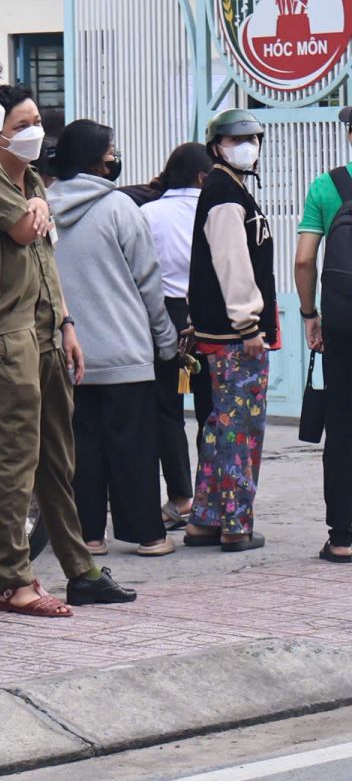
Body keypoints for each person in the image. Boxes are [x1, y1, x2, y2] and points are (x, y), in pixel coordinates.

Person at [0, 43, 130, 616]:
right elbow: (20, 229)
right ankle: (15, 579)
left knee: (10, 457)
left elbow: (38, 249)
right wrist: (30, 215)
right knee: (14, 458)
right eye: (22, 121)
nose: (34, 132)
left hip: (14, 325)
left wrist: (64, 321)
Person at [47, 119, 180, 557]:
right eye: (110, 150)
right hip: (126, 351)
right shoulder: (121, 209)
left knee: (82, 449)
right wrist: (165, 339)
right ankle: (148, 535)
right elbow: (148, 281)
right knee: (134, 449)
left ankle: (89, 536)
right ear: (94, 159)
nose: (114, 157)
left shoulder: (40, 208)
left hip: (71, 355)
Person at [185, 109, 278, 553]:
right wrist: (249, 325)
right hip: (235, 336)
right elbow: (232, 265)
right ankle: (236, 525)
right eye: (236, 138)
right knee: (240, 429)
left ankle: (204, 519)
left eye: (253, 138)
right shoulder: (224, 194)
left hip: (223, 335)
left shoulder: (229, 188)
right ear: (216, 145)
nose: (247, 145)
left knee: (220, 425)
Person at [291, 105, 352, 565]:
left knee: (343, 423)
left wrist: (310, 314)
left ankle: (343, 536)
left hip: (343, 324)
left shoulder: (327, 186)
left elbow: (304, 261)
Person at [143, 143, 213, 528]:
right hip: (209, 314)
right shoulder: (216, 210)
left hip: (163, 314)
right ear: (203, 176)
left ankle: (181, 496)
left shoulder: (148, 213)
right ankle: (209, 498)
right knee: (211, 410)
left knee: (167, 409)